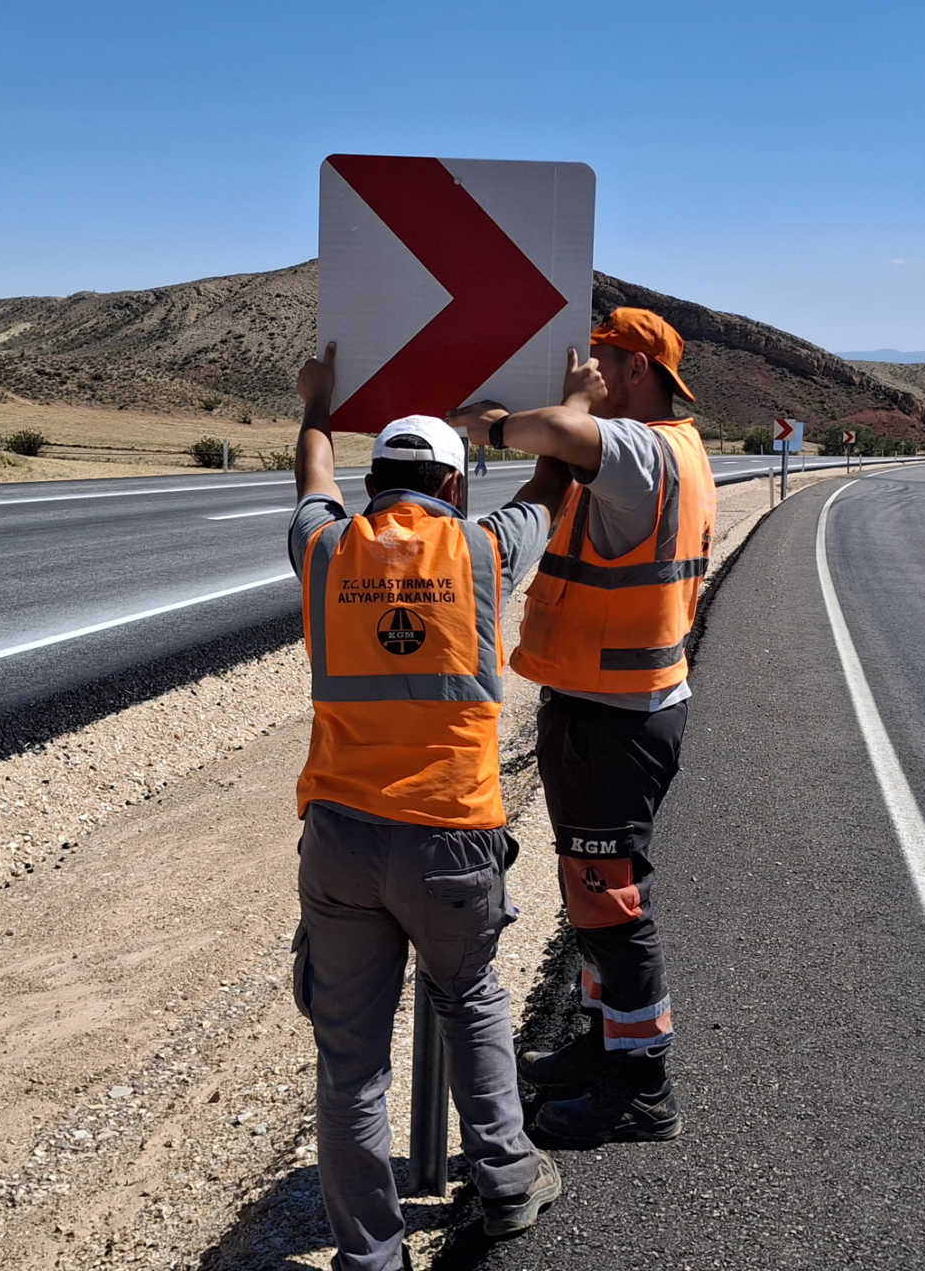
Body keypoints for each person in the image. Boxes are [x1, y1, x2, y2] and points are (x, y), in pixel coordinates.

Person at [287, 343, 564, 1271]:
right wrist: (565, 409)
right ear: (453, 479)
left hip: (341, 839)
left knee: (350, 1061)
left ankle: (371, 1256)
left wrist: (318, 405)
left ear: (378, 483)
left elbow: (311, 479)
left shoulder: (327, 549)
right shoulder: (484, 551)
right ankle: (507, 1182)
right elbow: (552, 490)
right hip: (450, 834)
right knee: (471, 998)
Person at [447, 307, 717, 1149]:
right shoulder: (667, 449)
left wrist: (489, 423)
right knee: (593, 898)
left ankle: (640, 1086)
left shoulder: (641, 449)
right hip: (608, 705)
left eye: (602, 364)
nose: (592, 377)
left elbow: (555, 431)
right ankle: (606, 1046)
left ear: (635, 370)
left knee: (613, 903)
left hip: (618, 719)